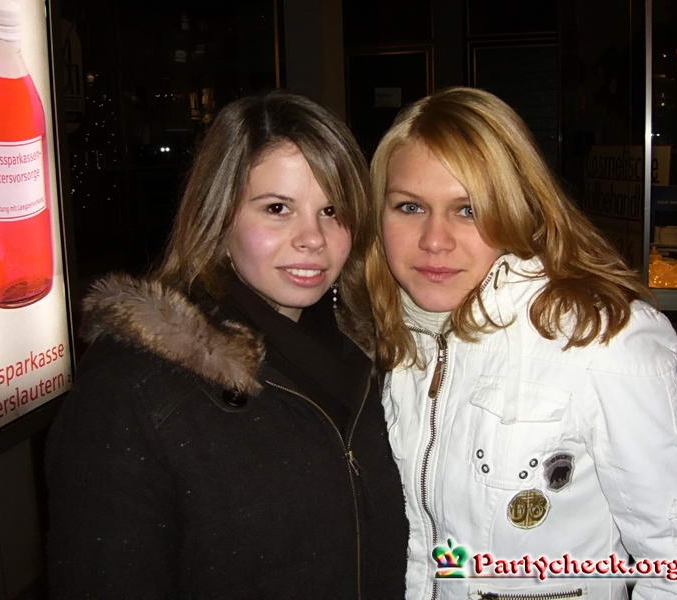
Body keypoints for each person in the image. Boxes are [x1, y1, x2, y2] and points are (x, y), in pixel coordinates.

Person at [365, 87, 677, 599]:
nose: (434, 241)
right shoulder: (387, 334)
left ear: (520, 209)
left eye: (469, 210)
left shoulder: (600, 339)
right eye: (410, 206)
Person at [45, 90, 408, 599]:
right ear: (219, 216)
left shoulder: (372, 351)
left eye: (332, 210)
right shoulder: (134, 391)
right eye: (277, 208)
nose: (313, 238)